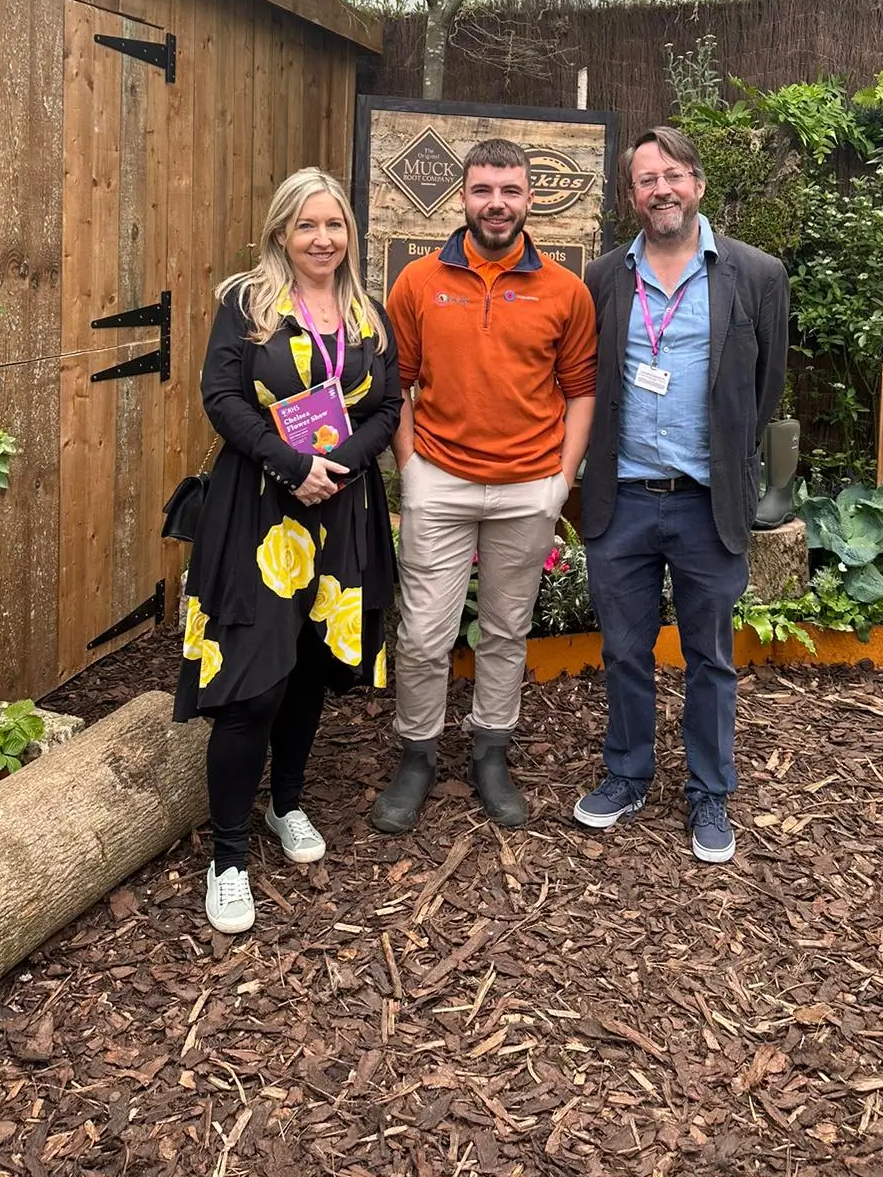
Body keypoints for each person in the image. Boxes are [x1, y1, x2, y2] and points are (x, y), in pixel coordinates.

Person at [174, 169, 400, 934]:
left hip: (340, 514)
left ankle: (288, 804)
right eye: (306, 226)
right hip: (262, 513)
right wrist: (291, 463)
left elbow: (388, 404)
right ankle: (227, 856)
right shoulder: (247, 304)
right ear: (280, 233)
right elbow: (222, 397)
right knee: (251, 685)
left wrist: (342, 465)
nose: (322, 239)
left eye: (334, 225)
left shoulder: (367, 312)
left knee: (307, 670)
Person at [574, 126, 789, 864]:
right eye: (644, 179)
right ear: (630, 196)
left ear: (697, 182)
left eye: (672, 175)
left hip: (706, 499)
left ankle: (708, 793)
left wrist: (726, 457)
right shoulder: (603, 279)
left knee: (711, 658)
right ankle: (629, 774)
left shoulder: (756, 275)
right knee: (625, 651)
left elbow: (764, 390)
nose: (660, 189)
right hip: (623, 498)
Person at [372, 137, 597, 834]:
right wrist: (409, 470)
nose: (496, 203)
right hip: (438, 480)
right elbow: (395, 385)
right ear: (462, 197)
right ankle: (417, 753)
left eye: (509, 191)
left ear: (531, 200)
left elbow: (581, 392)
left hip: (529, 486)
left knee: (504, 630)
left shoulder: (566, 290)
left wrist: (561, 483)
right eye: (482, 190)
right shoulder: (415, 283)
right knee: (422, 635)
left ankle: (491, 750)